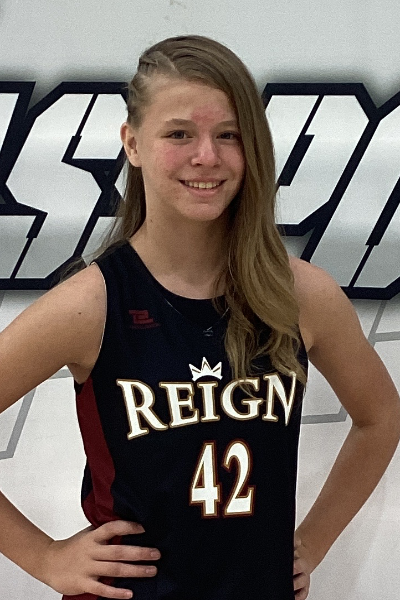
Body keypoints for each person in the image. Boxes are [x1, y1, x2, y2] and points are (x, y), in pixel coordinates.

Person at [0, 35, 399, 600]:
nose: (206, 156)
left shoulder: (301, 295)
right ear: (132, 144)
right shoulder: (92, 303)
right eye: (179, 134)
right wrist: (43, 556)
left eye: (228, 134)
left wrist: (312, 542)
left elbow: (381, 417)